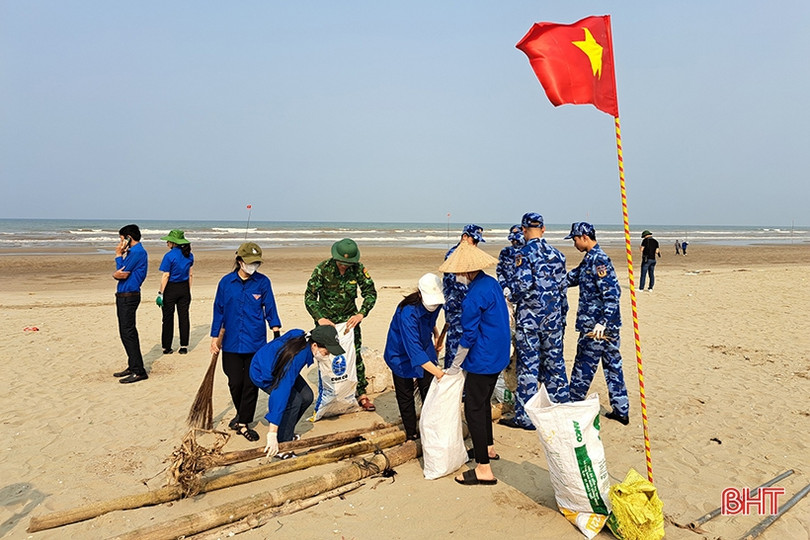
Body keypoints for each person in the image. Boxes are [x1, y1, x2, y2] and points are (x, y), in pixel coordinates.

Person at [438, 242, 510, 485]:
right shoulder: (491, 283)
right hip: (499, 352)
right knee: (485, 401)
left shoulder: (472, 297)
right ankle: (487, 447)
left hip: (483, 358)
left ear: (465, 271)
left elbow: (467, 337)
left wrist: (455, 366)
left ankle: (483, 469)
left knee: (473, 409)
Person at [503, 212, 570, 430]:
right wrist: (562, 319)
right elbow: (563, 291)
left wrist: (509, 294)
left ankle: (527, 418)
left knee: (528, 368)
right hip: (553, 321)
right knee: (556, 367)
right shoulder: (558, 255)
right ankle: (560, 413)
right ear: (543, 229)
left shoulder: (523, 255)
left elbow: (521, 286)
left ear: (523, 230)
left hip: (530, 322)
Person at [211, 242, 281, 442]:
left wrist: (275, 331)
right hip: (231, 342)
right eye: (250, 262)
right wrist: (215, 339)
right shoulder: (225, 283)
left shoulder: (262, 282)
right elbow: (219, 311)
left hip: (255, 341)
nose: (253, 266)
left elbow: (270, 307)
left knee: (251, 384)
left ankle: (243, 422)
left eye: (256, 263)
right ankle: (241, 414)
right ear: (239, 261)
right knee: (235, 382)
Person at [564, 222, 630, 425]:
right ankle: (621, 409)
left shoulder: (599, 260)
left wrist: (602, 322)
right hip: (602, 326)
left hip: (597, 329)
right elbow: (572, 278)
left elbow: (613, 295)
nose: (574, 243)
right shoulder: (589, 260)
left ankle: (573, 407)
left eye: (575, 239)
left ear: (584, 237)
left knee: (583, 367)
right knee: (612, 366)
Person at [251, 325, 345, 459]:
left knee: (307, 396)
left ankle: (285, 432)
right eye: (326, 352)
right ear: (314, 346)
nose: (327, 355)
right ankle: (283, 445)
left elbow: (290, 334)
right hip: (264, 373)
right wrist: (272, 433)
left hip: (280, 367)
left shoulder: (302, 337)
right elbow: (280, 393)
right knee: (293, 401)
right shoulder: (295, 359)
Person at [304, 238, 378, 411]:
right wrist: (320, 318)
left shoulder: (358, 269)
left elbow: (370, 293)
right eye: (342, 263)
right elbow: (309, 297)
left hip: (349, 322)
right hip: (326, 322)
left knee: (355, 356)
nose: (344, 266)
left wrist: (361, 313)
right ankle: (331, 395)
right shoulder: (322, 269)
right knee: (327, 357)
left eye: (348, 263)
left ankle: (361, 394)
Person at [383, 273, 446, 440]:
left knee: (429, 389)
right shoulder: (407, 313)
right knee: (405, 394)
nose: (433, 305)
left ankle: (429, 425)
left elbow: (430, 321)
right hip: (400, 352)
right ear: (420, 294)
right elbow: (415, 353)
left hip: (424, 344)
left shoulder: (438, 303)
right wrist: (439, 373)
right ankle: (411, 432)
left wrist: (436, 334)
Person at [442, 224, 485, 368]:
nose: (476, 245)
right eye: (474, 240)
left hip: (466, 310)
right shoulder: (454, 255)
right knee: (455, 351)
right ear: (464, 237)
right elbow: (459, 285)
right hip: (456, 310)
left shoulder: (469, 255)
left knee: (467, 349)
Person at [112, 224, 149, 384]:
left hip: (129, 295)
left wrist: (118, 255)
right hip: (125, 295)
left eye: (121, 239)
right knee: (126, 332)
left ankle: (138, 370)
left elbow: (122, 272)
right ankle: (133, 365)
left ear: (128, 238)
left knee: (128, 332)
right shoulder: (134, 252)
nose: (120, 242)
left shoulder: (137, 252)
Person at [156, 229, 194, 355]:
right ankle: (183, 346)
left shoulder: (169, 256)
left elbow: (166, 275)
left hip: (171, 288)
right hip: (184, 288)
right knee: (184, 317)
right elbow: (190, 274)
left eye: (169, 241)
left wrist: (160, 293)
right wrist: (188, 291)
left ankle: (167, 347)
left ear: (174, 243)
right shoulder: (189, 255)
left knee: (167, 318)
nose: (167, 242)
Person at [496, 224, 525, 300]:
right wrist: (504, 286)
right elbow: (499, 271)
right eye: (512, 240)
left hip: (525, 297)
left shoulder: (530, 252)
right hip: (507, 294)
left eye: (516, 240)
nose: (513, 242)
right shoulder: (505, 252)